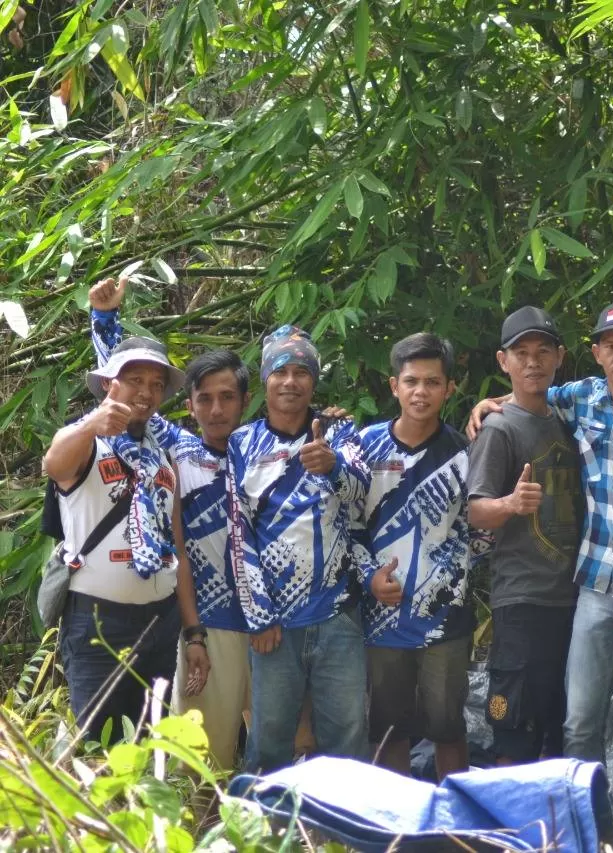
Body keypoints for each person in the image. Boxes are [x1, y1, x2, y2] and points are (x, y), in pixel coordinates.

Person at [467, 301, 613, 807]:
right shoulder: (582, 399)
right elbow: (527, 393)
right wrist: (487, 405)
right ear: (595, 354)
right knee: (579, 719)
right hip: (596, 584)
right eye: (611, 346)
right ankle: (589, 817)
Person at [87, 276, 252, 770]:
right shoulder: (177, 450)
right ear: (190, 405)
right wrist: (104, 319)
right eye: (204, 398)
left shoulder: (265, 453)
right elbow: (128, 386)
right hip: (207, 624)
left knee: (279, 751)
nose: (216, 409)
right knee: (199, 762)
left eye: (228, 397)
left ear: (245, 401)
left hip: (273, 623)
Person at [229, 325, 386, 772]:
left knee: (347, 736)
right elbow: (240, 536)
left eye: (302, 371)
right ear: (265, 380)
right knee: (270, 740)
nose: (291, 381)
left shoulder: (338, 431)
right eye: (281, 371)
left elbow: (361, 494)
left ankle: (341, 836)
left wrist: (333, 466)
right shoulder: (243, 443)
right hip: (274, 624)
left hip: (338, 614)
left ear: (314, 381)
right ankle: (265, 834)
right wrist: (258, 615)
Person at [44, 332, 208, 744]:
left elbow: (178, 550)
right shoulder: (86, 443)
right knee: (97, 748)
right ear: (108, 383)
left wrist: (193, 633)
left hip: (160, 621)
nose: (147, 392)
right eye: (135, 379)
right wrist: (87, 425)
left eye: (156, 384)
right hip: (99, 623)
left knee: (146, 747)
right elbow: (53, 463)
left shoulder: (163, 458)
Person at [466, 306, 585, 765]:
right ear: (504, 361)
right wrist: (511, 505)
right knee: (513, 725)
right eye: (521, 353)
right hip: (522, 598)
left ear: (559, 357)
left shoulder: (568, 420)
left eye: (542, 352)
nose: (532, 362)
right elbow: (474, 510)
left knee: (563, 722)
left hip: (574, 596)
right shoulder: (497, 427)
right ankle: (506, 831)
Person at [360, 333, 476, 778]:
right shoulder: (365, 447)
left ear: (449, 388)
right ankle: (393, 829)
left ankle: (455, 828)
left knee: (449, 727)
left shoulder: (465, 452)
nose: (421, 392)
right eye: (411, 381)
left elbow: (477, 533)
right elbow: (346, 526)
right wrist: (369, 576)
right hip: (382, 616)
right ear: (394, 386)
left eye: (432, 382)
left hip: (445, 618)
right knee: (389, 731)